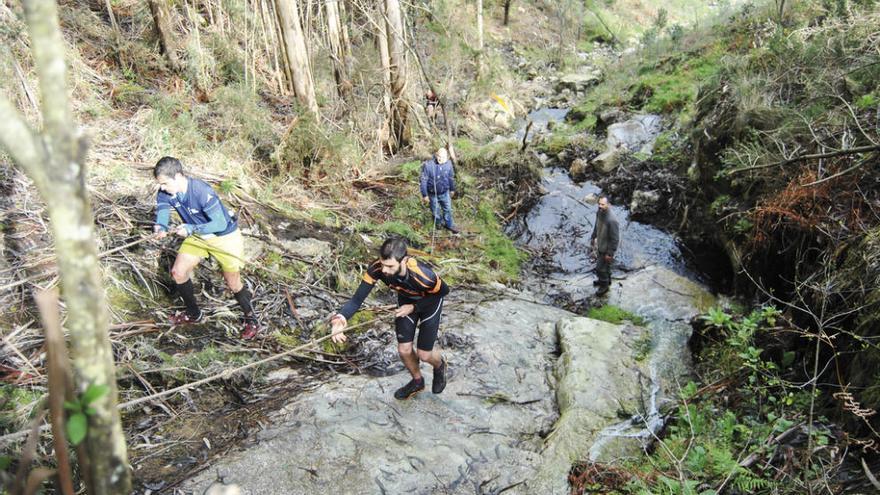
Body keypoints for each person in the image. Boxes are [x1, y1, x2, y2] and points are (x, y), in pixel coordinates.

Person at [152, 156, 261, 339]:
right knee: (178, 272)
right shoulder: (165, 192)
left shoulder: (201, 191)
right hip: (197, 235)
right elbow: (162, 212)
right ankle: (194, 314)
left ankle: (251, 319)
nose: (162, 187)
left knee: (233, 282)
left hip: (223, 236)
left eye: (164, 183)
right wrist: (160, 226)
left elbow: (218, 223)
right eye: (160, 183)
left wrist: (191, 228)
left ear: (178, 176)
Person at [330, 237, 450, 400]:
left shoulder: (423, 275)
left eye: (390, 266)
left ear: (404, 260)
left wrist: (415, 307)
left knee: (424, 354)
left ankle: (440, 365)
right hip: (405, 302)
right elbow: (357, 299)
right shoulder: (376, 268)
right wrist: (340, 318)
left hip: (429, 304)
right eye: (383, 264)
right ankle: (417, 381)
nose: (384, 270)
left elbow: (444, 292)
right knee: (404, 350)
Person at [419, 146, 460, 234]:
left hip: (445, 193)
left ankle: (449, 224)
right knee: (435, 211)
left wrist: (452, 189)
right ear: (436, 155)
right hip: (433, 194)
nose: (441, 159)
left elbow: (451, 177)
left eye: (443, 157)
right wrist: (424, 195)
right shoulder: (428, 165)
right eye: (439, 157)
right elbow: (423, 180)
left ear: (447, 157)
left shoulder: (449, 164)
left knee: (447, 209)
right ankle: (439, 224)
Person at [590, 195, 619, 296]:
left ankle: (604, 286)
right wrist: (593, 237)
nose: (600, 206)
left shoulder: (612, 220)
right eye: (599, 204)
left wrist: (610, 253)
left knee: (599, 268)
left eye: (603, 204)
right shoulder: (599, 212)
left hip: (606, 249)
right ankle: (607, 280)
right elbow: (596, 225)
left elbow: (615, 239)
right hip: (600, 244)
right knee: (606, 266)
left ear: (609, 205)